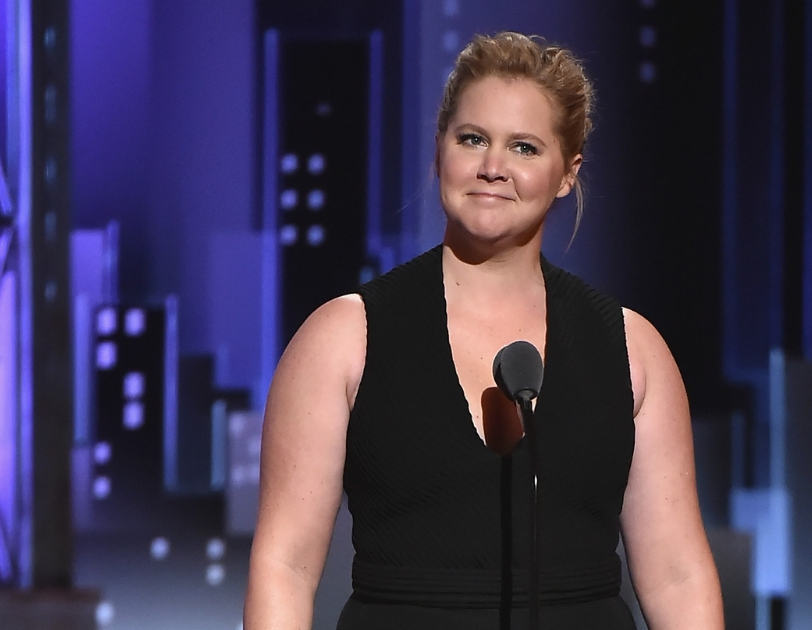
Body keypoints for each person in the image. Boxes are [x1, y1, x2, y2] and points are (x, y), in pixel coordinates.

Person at [244, 31, 724, 629]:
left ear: (567, 173)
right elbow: (284, 565)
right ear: (439, 151)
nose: (493, 167)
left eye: (524, 147)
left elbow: (678, 576)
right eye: (472, 139)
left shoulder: (632, 349)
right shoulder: (344, 336)